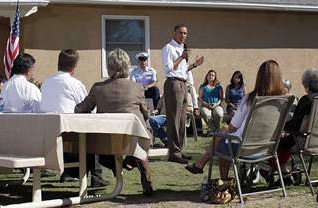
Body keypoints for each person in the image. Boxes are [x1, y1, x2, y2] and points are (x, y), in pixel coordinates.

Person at [185, 60, 285, 180]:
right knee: (223, 135)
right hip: (268, 148)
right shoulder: (282, 101)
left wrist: (223, 131)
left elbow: (233, 127)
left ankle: (222, 181)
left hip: (245, 149)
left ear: (259, 77)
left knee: (222, 140)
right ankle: (201, 164)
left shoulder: (250, 98)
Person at [75, 48, 154, 196]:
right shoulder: (137, 88)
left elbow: (81, 110)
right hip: (134, 139)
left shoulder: (98, 88)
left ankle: (126, 163)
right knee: (143, 130)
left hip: (106, 143)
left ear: (109, 67)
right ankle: (139, 167)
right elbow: (147, 113)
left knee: (104, 146)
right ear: (127, 66)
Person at [39, 49, 110, 187]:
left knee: (77, 130)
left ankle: (70, 172)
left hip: (48, 132)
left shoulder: (46, 83)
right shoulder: (75, 84)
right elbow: (87, 107)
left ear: (58, 63)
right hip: (69, 132)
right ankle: (97, 175)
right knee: (91, 133)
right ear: (75, 66)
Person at [275, 68, 318, 184]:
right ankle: (284, 173)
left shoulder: (307, 100)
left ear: (306, 84)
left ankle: (284, 173)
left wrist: (282, 126)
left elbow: (294, 125)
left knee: (276, 143)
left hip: (304, 141)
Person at [161, 24, 204, 164]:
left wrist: (195, 65)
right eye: (180, 33)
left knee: (181, 119)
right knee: (174, 119)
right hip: (173, 84)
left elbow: (183, 71)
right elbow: (168, 69)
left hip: (182, 83)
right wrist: (182, 57)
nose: (183, 35)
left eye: (185, 33)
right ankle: (173, 152)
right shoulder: (169, 48)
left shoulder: (181, 49)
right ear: (174, 33)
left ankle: (179, 150)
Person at [199, 70, 224, 134]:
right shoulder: (202, 86)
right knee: (207, 114)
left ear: (215, 77)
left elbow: (221, 98)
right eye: (209, 74)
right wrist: (206, 104)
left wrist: (216, 104)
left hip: (216, 105)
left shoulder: (219, 86)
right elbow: (200, 98)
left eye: (213, 75)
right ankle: (215, 130)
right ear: (207, 76)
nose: (211, 76)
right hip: (205, 105)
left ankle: (214, 130)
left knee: (219, 114)